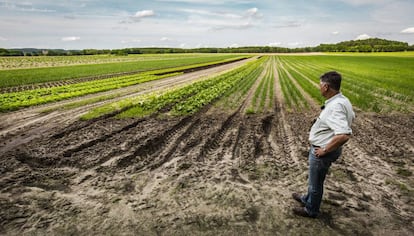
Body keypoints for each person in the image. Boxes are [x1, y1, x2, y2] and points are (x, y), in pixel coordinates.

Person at [292, 71, 355, 218]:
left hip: (322, 151)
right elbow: (351, 117)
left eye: (320, 85)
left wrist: (324, 150)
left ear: (326, 87)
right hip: (327, 147)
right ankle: (306, 199)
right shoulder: (343, 100)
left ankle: (311, 210)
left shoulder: (335, 107)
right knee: (314, 179)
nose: (319, 88)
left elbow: (344, 134)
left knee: (316, 183)